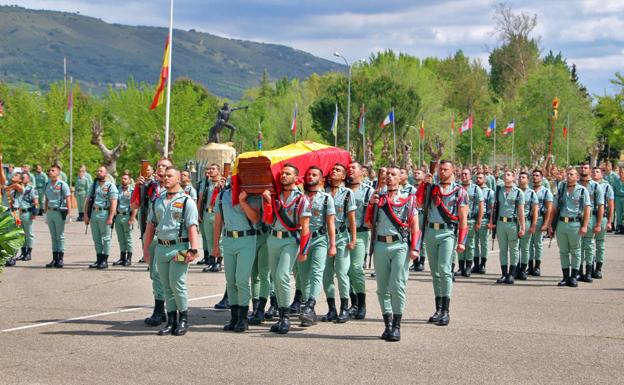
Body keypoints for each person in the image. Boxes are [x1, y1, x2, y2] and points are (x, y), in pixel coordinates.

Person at [143, 167, 200, 336]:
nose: (166, 178)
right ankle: (171, 320)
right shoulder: (158, 200)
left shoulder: (186, 201)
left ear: (178, 179)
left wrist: (193, 249)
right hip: (161, 247)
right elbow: (151, 225)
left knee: (177, 284)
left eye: (170, 176)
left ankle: (183, 319)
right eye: (165, 176)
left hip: (179, 247)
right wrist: (146, 249)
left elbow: (192, 226)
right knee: (166, 285)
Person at [367, 166, 420, 341]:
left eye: (393, 175)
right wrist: (371, 205)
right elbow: (368, 223)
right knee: (382, 288)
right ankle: (387, 324)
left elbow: (415, 226)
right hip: (380, 245)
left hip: (399, 246)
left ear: (400, 179)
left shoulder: (408, 199)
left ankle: (397, 325)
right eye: (387, 174)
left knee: (397, 286)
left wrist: (415, 248)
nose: (389, 177)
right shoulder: (378, 198)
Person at [416, 160, 467, 328]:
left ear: (453, 171)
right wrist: (424, 185)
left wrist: (461, 241)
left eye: (446, 169)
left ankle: (446, 310)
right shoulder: (433, 188)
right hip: (431, 232)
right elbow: (419, 203)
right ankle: (438, 309)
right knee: (435, 273)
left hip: (447, 233)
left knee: (445, 270)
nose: (442, 172)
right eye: (441, 169)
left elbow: (463, 218)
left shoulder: (459, 191)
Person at [261, 164, 311, 335]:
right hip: (273, 238)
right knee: (275, 278)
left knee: (282, 276)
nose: (283, 176)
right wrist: (267, 202)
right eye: (282, 173)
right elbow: (267, 220)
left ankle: (287, 317)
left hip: (290, 241)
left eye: (287, 173)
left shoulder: (302, 199)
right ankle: (281, 316)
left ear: (296, 178)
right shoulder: (275, 196)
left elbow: (305, 227)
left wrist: (304, 250)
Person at [214, 185, 261, 332]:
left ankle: (243, 318)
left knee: (241, 280)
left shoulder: (252, 196)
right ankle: (234, 317)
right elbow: (218, 222)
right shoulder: (222, 196)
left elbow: (255, 218)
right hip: (228, 240)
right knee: (230, 281)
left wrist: (243, 201)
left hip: (246, 239)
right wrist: (216, 245)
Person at [132, 158, 171, 326]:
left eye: (165, 166)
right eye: (159, 166)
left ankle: (165, 310)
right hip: (151, 234)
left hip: (168, 237)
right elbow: (134, 205)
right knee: (154, 273)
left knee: (164, 274)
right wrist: (138, 188)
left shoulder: (176, 190)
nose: (160, 168)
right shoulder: (150, 187)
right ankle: (160, 309)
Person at [323, 164, 356, 324]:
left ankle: (344, 308)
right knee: (326, 274)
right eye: (333, 169)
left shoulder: (348, 193)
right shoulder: (323, 192)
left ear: (343, 176)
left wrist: (353, 239)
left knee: (342, 272)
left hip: (342, 236)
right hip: (325, 238)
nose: (333, 172)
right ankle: (331, 309)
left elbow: (351, 218)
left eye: (338, 170)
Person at [550, 167, 591, 287]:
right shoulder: (561, 188)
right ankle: (565, 277)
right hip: (562, 223)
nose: (569, 176)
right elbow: (554, 208)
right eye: (568, 174)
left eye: (572, 174)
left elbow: (587, 209)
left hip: (575, 224)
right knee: (563, 251)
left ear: (577, 177)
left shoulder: (583, 191)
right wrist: (550, 225)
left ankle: (574, 277)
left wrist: (584, 225)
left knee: (575, 251)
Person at [346, 162, 374, 319]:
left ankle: (361, 304)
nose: (350, 170)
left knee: (356, 267)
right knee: (347, 269)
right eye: (348, 168)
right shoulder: (343, 189)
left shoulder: (368, 192)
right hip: (344, 234)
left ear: (362, 172)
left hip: (361, 233)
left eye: (353, 168)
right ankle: (353, 303)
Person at [490, 170, 525, 284]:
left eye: (509, 175)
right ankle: (504, 274)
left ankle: (511, 274)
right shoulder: (499, 190)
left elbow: (521, 211)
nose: (505, 176)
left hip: (513, 223)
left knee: (514, 250)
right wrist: (492, 222)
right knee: (503, 250)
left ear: (514, 178)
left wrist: (523, 227)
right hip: (500, 223)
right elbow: (494, 207)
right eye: (505, 174)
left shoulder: (518, 192)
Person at [85, 167, 118, 270]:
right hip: (94, 213)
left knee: (106, 238)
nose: (98, 172)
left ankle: (104, 260)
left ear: (106, 173)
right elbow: (88, 200)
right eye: (97, 171)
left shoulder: (110, 186)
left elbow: (113, 202)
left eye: (101, 171)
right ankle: (98, 258)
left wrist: (111, 217)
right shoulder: (94, 185)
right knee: (96, 238)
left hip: (104, 213)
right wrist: (86, 214)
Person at [578, 162, 604, 282]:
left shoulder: (595, 187)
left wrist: (598, 224)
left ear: (589, 170)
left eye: (586, 168)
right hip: (577, 219)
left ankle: (588, 272)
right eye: (581, 168)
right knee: (577, 246)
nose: (583, 170)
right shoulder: (574, 185)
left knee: (588, 245)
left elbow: (601, 206)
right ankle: (578, 271)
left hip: (591, 218)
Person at [456, 168, 483, 277]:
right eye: (462, 174)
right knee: (460, 243)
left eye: (466, 174)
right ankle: (461, 267)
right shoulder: (457, 188)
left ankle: (468, 267)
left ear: (470, 176)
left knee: (470, 244)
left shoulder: (476, 189)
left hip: (470, 220)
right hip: (459, 220)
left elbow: (481, 206)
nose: (464, 176)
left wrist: (478, 222)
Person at [44, 164, 72, 268]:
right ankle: (54, 258)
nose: (50, 172)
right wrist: (45, 212)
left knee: (60, 236)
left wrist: (69, 214)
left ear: (58, 172)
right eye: (49, 170)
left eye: (53, 170)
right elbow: (46, 199)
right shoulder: (47, 184)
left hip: (59, 212)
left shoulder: (62, 184)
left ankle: (60, 258)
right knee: (53, 236)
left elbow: (68, 198)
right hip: (50, 212)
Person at [197, 164, 223, 272]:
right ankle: (211, 262)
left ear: (219, 171)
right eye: (210, 169)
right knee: (209, 239)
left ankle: (218, 262)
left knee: (219, 240)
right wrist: (198, 213)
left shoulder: (223, 183)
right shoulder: (207, 183)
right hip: (207, 213)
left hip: (217, 214)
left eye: (213, 169)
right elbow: (201, 198)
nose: (211, 171)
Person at [528, 169, 553, 276]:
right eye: (533, 175)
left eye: (537, 175)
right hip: (528, 219)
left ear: (541, 177)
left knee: (537, 244)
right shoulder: (528, 190)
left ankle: (537, 266)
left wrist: (546, 224)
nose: (535, 177)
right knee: (528, 244)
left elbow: (549, 209)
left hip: (539, 220)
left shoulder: (546, 191)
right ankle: (529, 266)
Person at [592, 167, 614, 278]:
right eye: (593, 172)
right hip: (590, 217)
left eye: (597, 172)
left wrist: (610, 221)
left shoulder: (607, 187)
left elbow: (611, 205)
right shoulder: (588, 186)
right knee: (588, 244)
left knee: (600, 244)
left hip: (603, 217)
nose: (594, 173)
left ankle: (598, 268)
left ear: (602, 174)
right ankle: (589, 267)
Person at [517, 171, 538, 280]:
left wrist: (533, 225)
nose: (521, 179)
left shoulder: (531, 193)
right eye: (519, 177)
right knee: (515, 247)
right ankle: (515, 268)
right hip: (515, 222)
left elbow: (535, 210)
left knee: (525, 248)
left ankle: (523, 269)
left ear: (527, 180)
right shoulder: (514, 191)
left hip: (526, 220)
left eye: (523, 177)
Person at [13, 172, 39, 262]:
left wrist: (34, 213)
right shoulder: (18, 188)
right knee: (21, 234)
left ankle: (29, 253)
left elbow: (35, 202)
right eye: (22, 177)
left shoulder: (31, 189)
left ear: (28, 179)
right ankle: (23, 252)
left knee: (29, 234)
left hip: (27, 213)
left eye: (24, 177)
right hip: (18, 213)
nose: (22, 179)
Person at [112, 172, 136, 266]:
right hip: (118, 216)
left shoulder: (132, 191)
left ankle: (129, 258)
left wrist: (132, 217)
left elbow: (135, 205)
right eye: (122, 178)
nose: (123, 180)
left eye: (125, 178)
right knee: (121, 238)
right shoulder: (117, 189)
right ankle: (122, 258)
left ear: (129, 180)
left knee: (128, 238)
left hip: (127, 216)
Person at [473, 172, 494, 274]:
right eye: (477, 177)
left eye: (480, 178)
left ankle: (483, 264)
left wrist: (491, 222)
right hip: (473, 219)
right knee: (474, 243)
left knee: (484, 243)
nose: (478, 179)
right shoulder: (473, 190)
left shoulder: (490, 192)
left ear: (485, 180)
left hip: (484, 220)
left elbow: (492, 208)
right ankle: (476, 264)